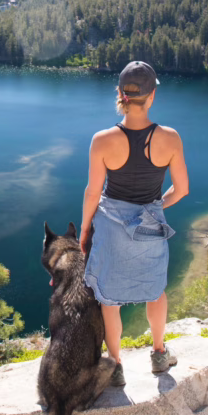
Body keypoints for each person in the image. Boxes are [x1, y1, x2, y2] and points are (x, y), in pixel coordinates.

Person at [80, 61, 189, 386]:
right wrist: (156, 206)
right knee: (155, 292)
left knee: (109, 300)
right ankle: (158, 354)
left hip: (111, 228)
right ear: (151, 96)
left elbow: (92, 192)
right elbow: (182, 190)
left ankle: (115, 366)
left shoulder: (102, 140)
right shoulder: (169, 138)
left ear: (120, 94)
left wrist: (86, 229)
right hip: (150, 228)